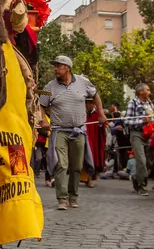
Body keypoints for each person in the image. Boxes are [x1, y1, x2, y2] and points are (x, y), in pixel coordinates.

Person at [41, 56, 107, 210]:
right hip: (59, 130)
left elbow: (95, 94)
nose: (55, 69)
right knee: (61, 164)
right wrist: (43, 120)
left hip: (78, 130)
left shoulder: (83, 82)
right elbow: (41, 105)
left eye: (59, 66)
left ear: (68, 68)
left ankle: (73, 196)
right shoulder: (49, 86)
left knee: (76, 166)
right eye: (55, 66)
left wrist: (102, 113)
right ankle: (62, 199)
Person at [125, 83, 154, 196]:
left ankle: (136, 178)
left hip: (149, 135)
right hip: (137, 134)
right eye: (147, 90)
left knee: (148, 162)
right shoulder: (132, 103)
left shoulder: (150, 103)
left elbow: (153, 118)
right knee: (141, 161)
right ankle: (142, 186)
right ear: (140, 92)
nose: (149, 92)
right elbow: (127, 121)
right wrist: (141, 121)